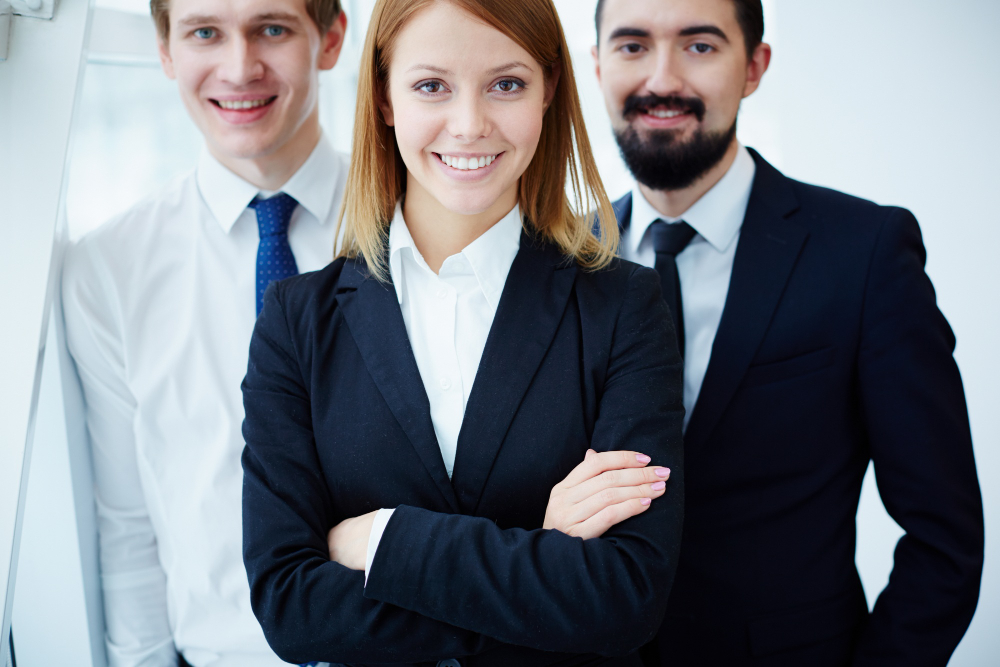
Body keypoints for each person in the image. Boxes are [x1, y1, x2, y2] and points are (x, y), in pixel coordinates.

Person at [240, 0, 685, 664]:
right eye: (431, 86)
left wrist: (383, 540)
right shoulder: (296, 320)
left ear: (548, 90)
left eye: (506, 83)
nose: (470, 124)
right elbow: (291, 609)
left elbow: (625, 596)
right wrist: (540, 547)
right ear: (384, 97)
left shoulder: (623, 306)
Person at [590, 0, 985, 665]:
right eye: (632, 46)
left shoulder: (864, 253)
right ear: (598, 68)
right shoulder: (556, 262)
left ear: (754, 67)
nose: (662, 79)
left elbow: (945, 540)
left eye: (699, 46)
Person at [61, 0, 350, 664]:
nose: (239, 67)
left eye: (272, 29)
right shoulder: (109, 269)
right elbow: (128, 524)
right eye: (204, 33)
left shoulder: (415, 222)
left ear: (331, 39)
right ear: (165, 50)